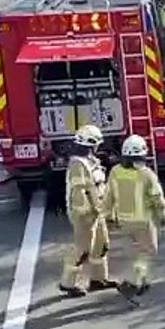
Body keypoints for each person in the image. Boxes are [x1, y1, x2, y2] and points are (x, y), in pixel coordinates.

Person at [105, 134, 165, 300]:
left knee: (133, 252)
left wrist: (107, 217)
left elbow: (109, 196)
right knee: (147, 251)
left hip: (123, 221)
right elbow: (157, 198)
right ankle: (131, 281)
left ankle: (142, 280)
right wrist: (163, 216)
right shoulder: (147, 174)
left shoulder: (115, 172)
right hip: (143, 221)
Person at [58, 124, 115, 297]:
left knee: (101, 245)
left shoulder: (91, 162)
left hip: (96, 211)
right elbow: (79, 192)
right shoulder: (78, 165)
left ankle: (98, 279)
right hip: (85, 214)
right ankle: (68, 283)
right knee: (82, 249)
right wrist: (88, 213)